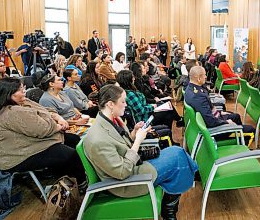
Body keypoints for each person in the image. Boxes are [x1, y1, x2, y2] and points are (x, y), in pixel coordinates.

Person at [83, 84, 197, 220]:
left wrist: (133, 134)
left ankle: (170, 208)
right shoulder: (98, 139)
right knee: (178, 157)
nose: (126, 105)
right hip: (126, 182)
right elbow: (121, 172)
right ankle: (170, 210)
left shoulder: (109, 120)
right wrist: (137, 141)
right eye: (123, 102)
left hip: (133, 166)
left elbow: (119, 146)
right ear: (110, 104)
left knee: (177, 153)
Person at [0, 77, 86, 187]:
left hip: (29, 142)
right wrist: (58, 125)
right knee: (70, 154)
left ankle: (66, 174)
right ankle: (82, 183)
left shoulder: (22, 102)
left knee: (74, 139)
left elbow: (45, 111)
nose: (24, 91)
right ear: (9, 94)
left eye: (23, 88)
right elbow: (42, 129)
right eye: (20, 90)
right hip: (18, 155)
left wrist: (57, 117)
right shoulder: (11, 112)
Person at [184, 66, 255, 144]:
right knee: (250, 130)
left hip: (213, 119)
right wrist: (226, 122)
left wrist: (220, 113)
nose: (205, 77)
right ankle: (239, 146)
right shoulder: (198, 96)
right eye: (204, 75)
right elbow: (210, 121)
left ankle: (239, 139)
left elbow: (208, 111)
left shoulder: (190, 89)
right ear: (198, 78)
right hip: (214, 129)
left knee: (236, 116)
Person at [117, 70, 182, 130]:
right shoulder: (130, 94)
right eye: (132, 77)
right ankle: (177, 123)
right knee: (168, 112)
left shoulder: (129, 91)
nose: (134, 79)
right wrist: (152, 106)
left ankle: (172, 128)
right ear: (128, 80)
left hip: (146, 113)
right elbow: (141, 110)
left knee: (168, 109)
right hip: (144, 119)